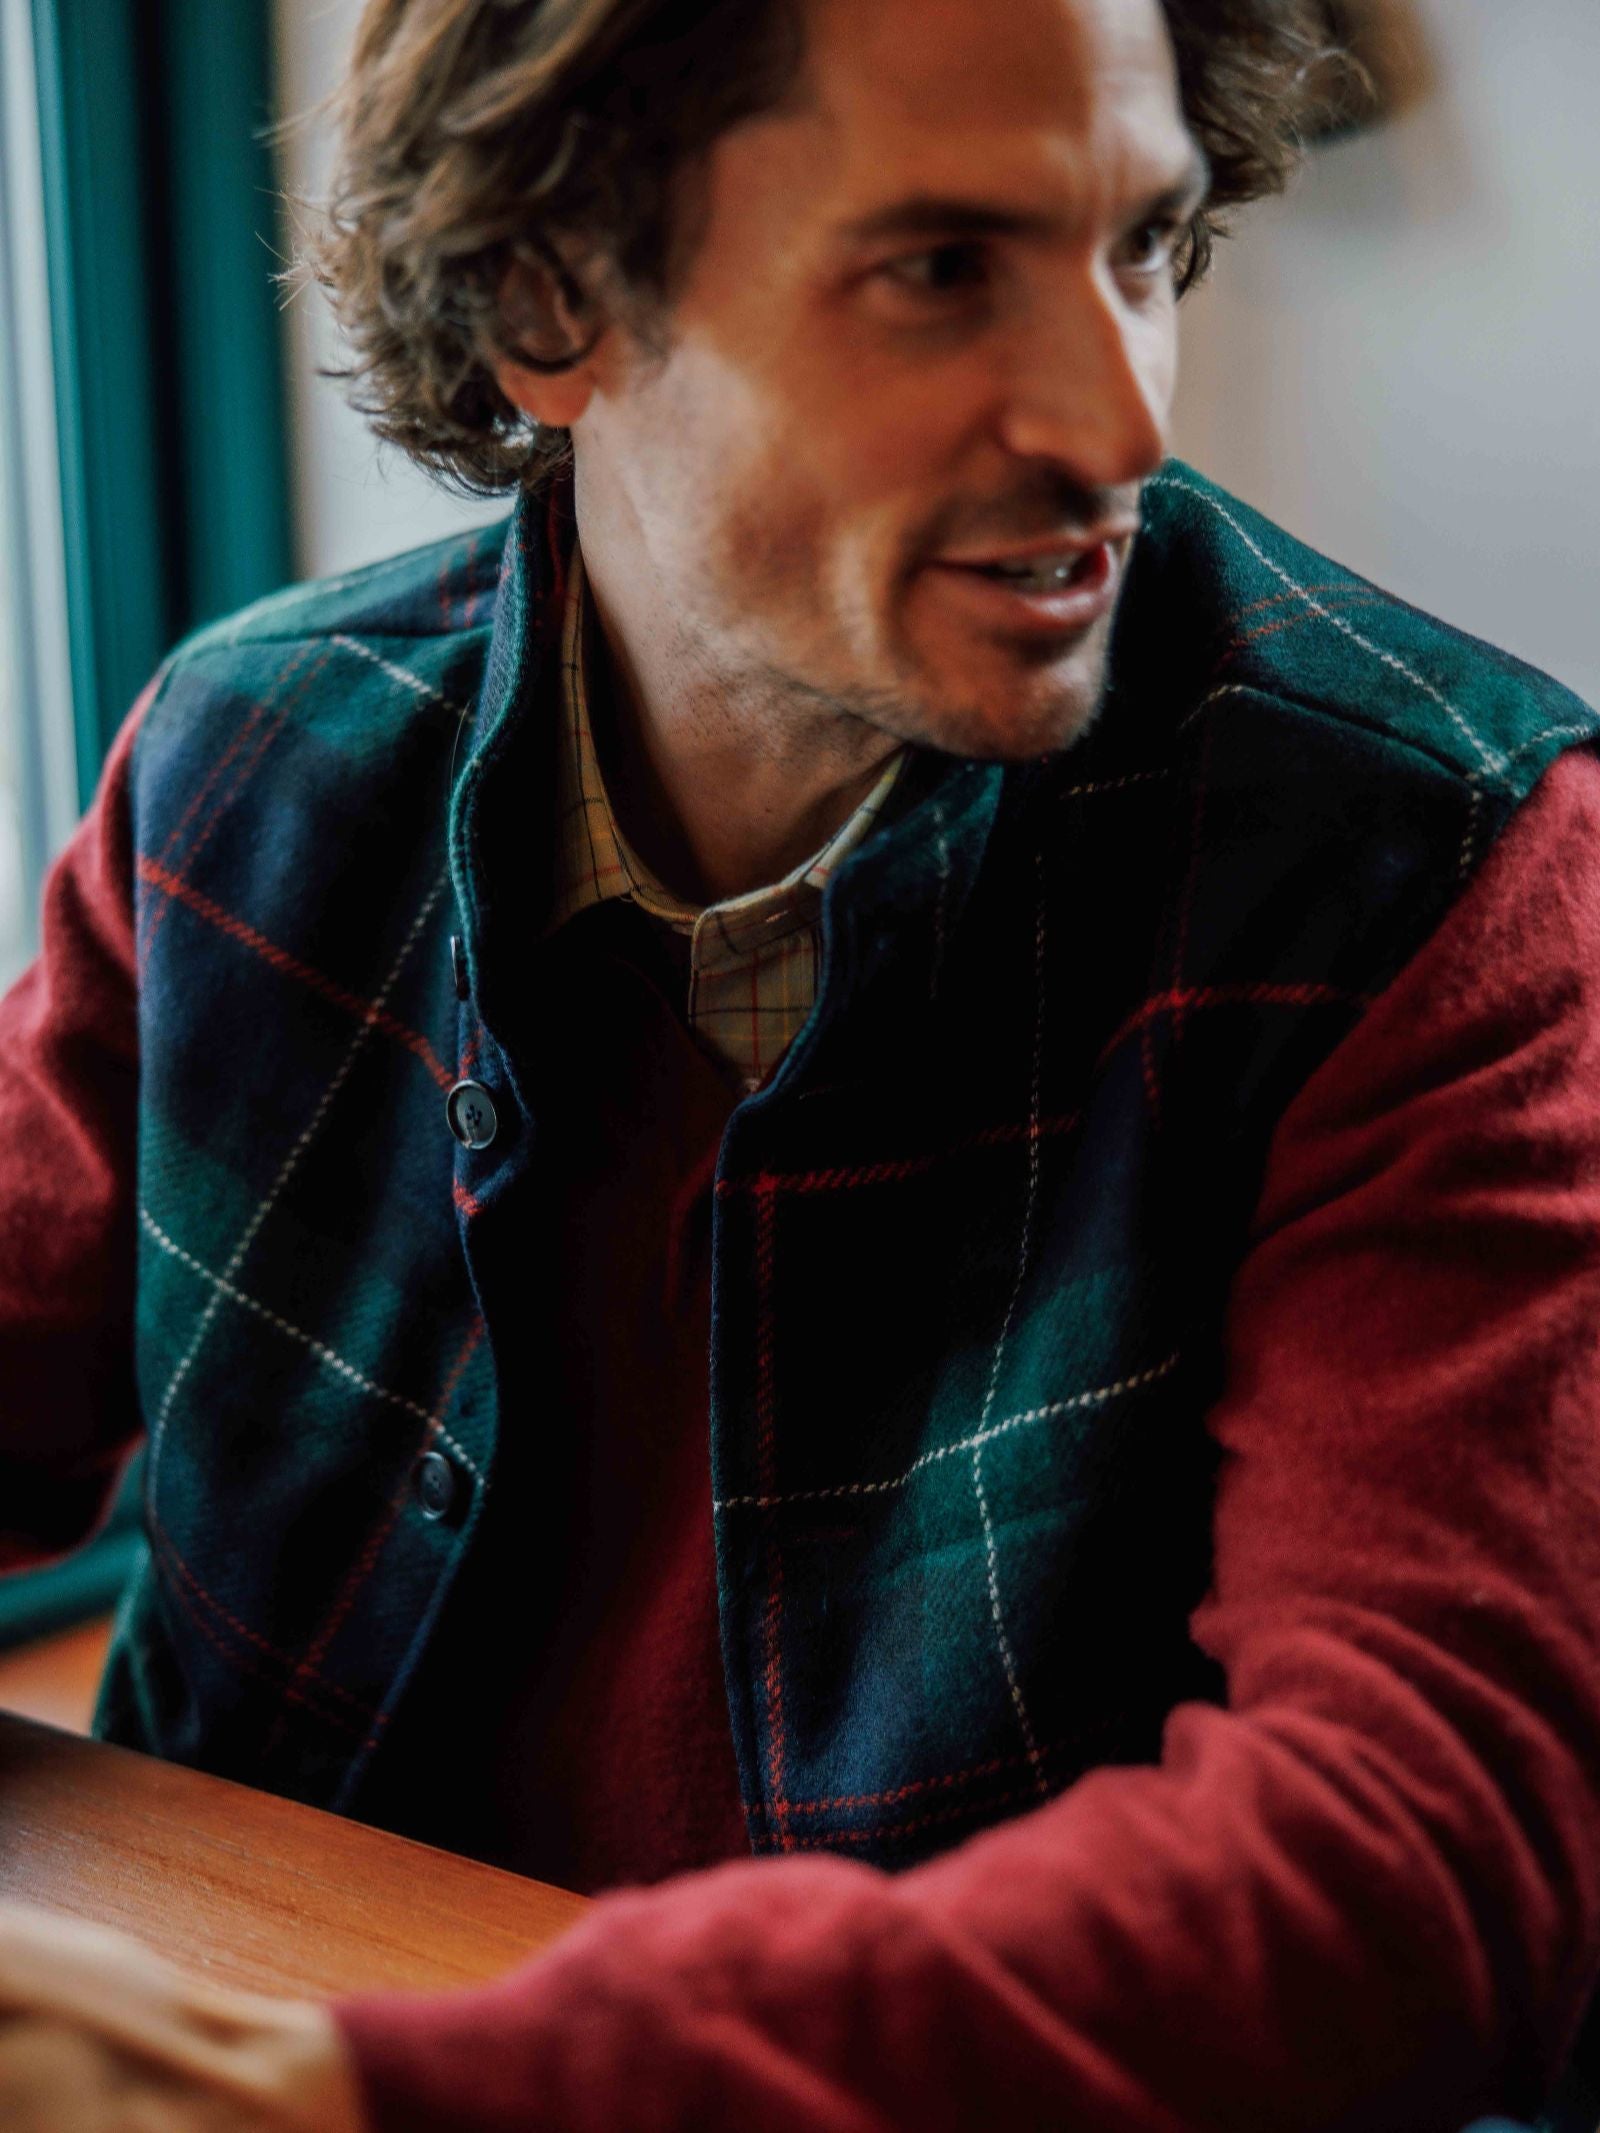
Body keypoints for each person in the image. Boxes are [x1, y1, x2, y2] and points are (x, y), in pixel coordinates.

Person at [1, 0, 1599, 2126]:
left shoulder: (1440, 866)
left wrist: (362, 2084)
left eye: (1141, 242)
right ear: (549, 298)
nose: (1113, 416)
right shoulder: (247, 758)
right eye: (940, 269)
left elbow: (1405, 1864)